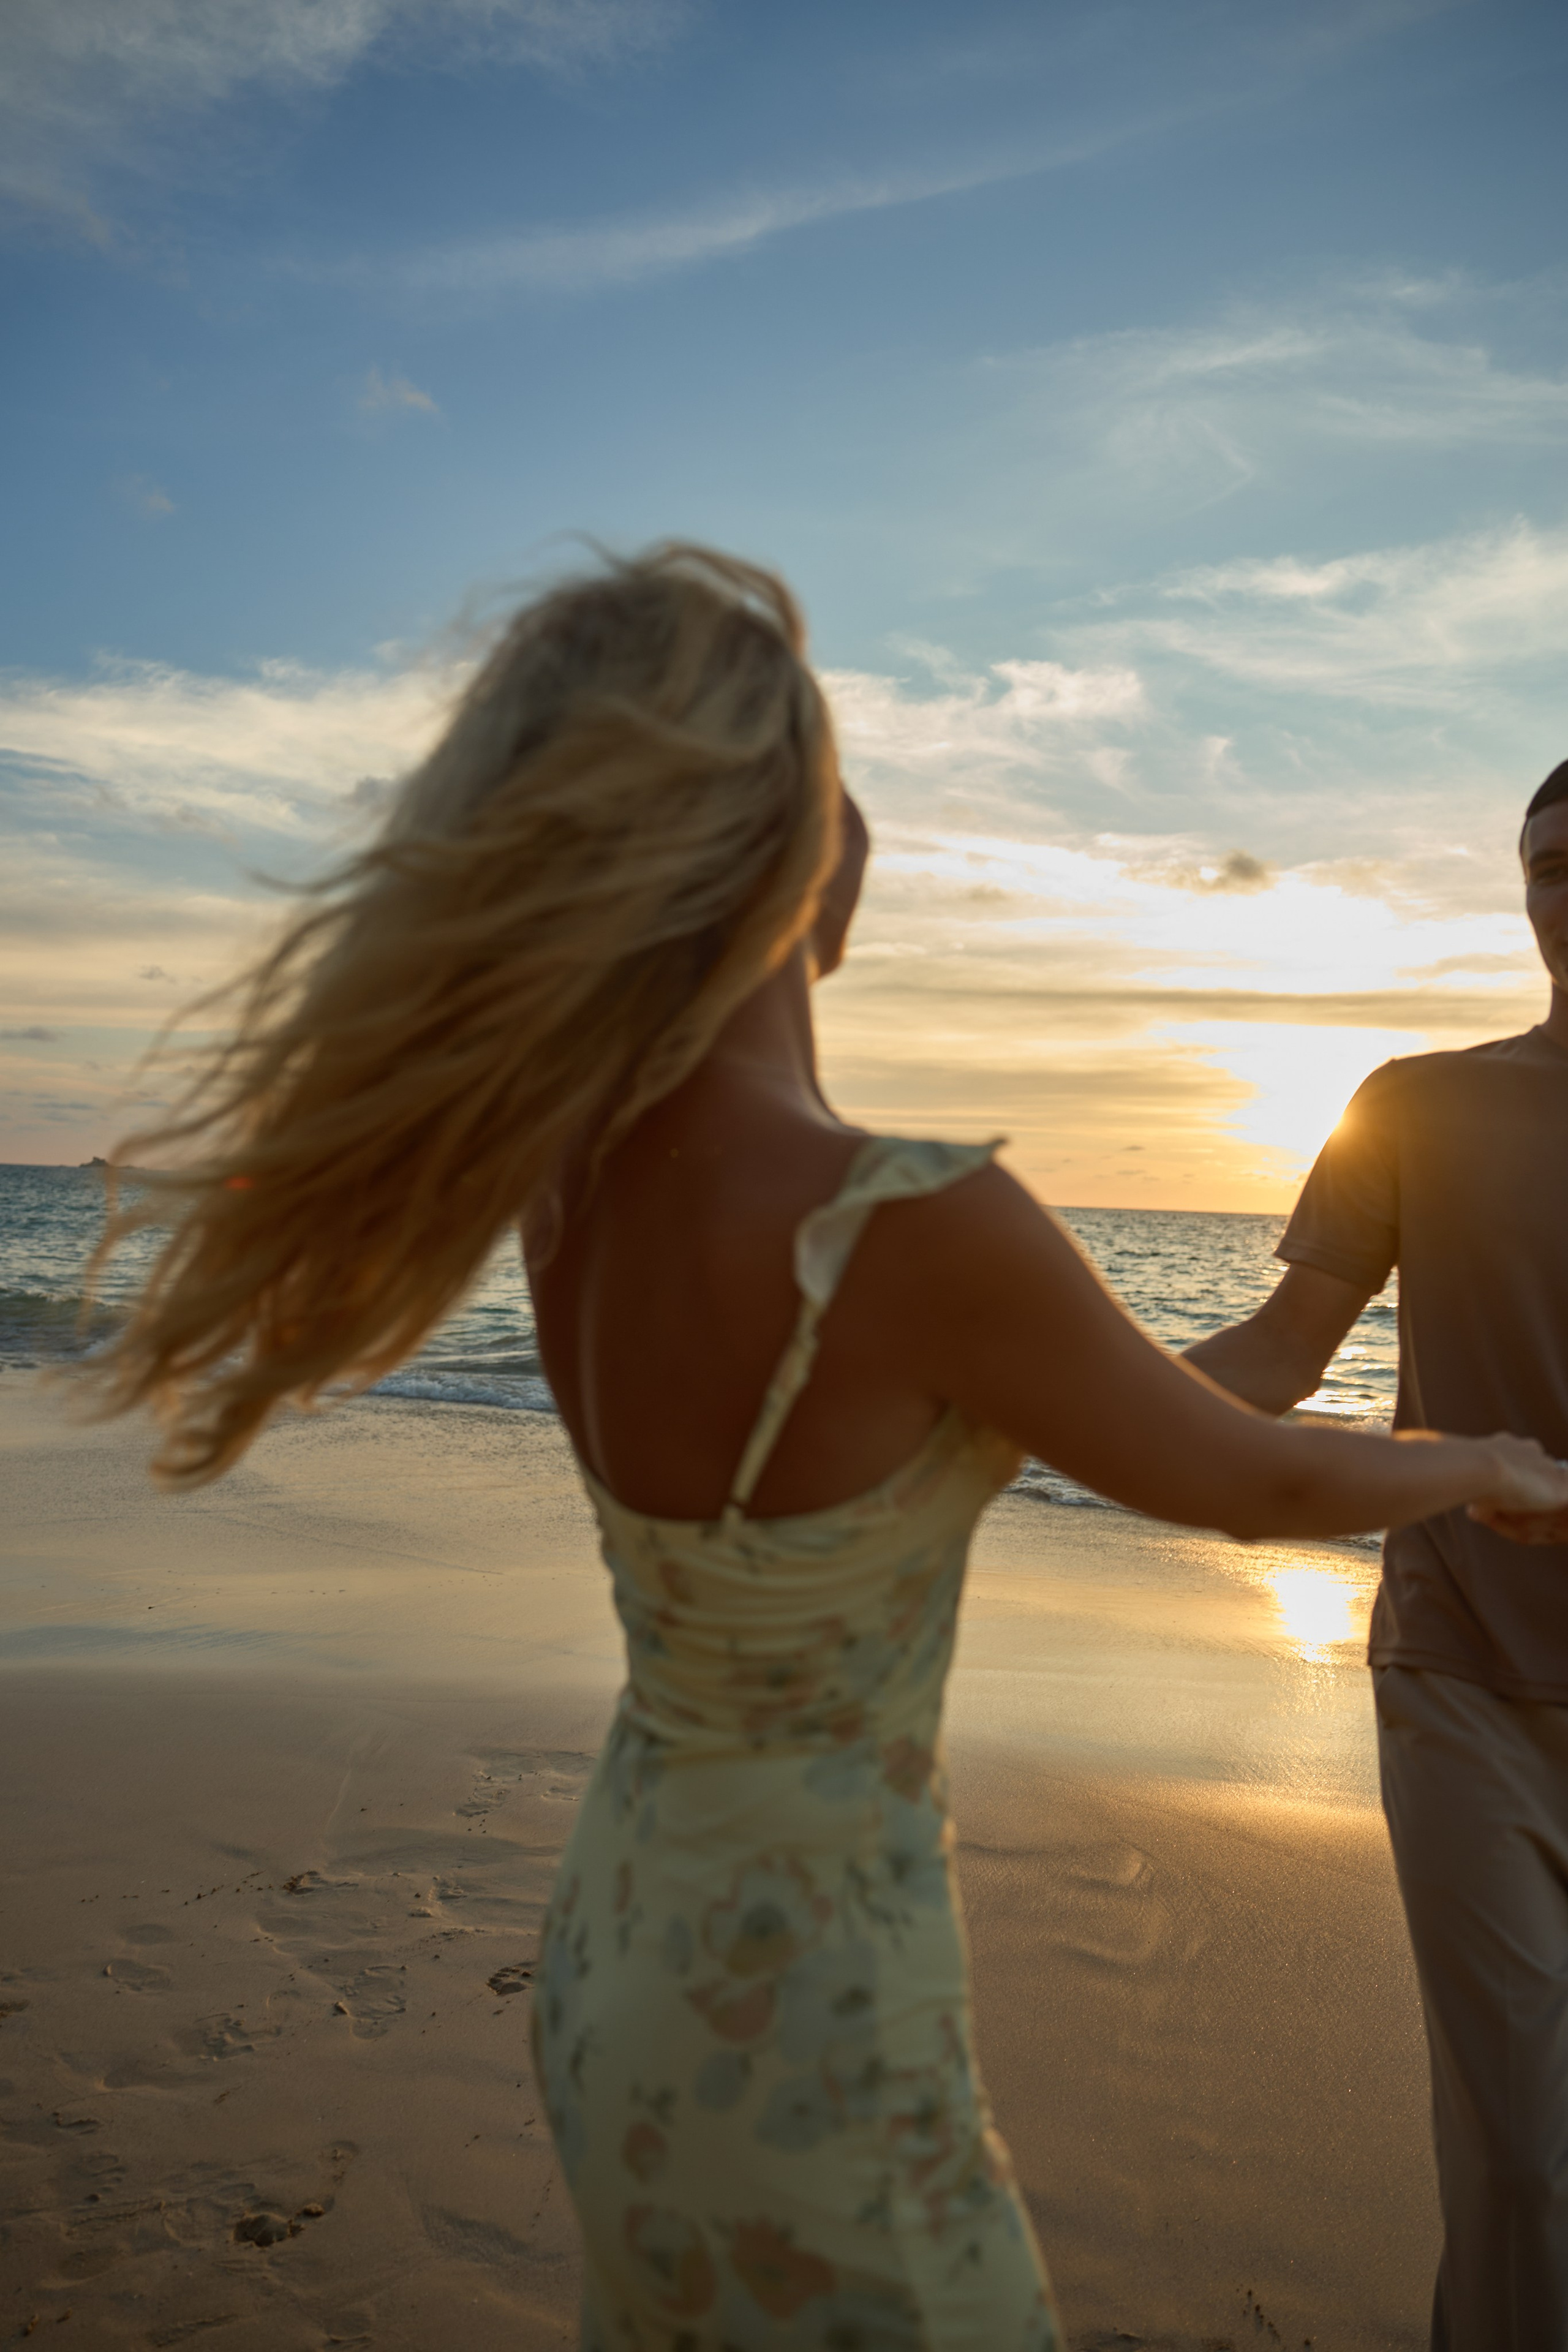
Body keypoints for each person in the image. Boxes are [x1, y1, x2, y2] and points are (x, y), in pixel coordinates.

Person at [86, 548, 1568, 2352]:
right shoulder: (908, 1219)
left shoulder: (568, 1191)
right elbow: (1249, 1478)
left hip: (625, 1943)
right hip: (807, 1995)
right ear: (783, 838)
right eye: (840, 775)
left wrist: (1141, 1402)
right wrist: (1487, 1466)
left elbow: (1160, 1420)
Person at [1185, 761, 1568, 2352]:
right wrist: (1008, 1408)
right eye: (1547, 864)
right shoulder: (1415, 1103)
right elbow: (1279, 1357)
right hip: (1459, 1673)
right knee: (1520, 2161)